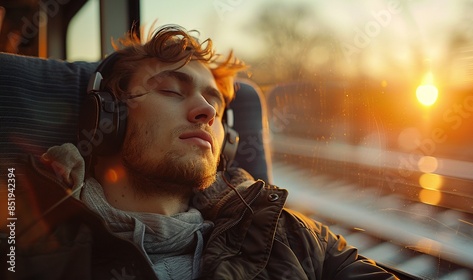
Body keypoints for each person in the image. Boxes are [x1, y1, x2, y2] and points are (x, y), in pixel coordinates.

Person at [13, 24, 399, 279]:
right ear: (108, 115)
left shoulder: (292, 237)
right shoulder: (26, 243)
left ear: (227, 142)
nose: (206, 111)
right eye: (170, 90)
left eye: (214, 103)